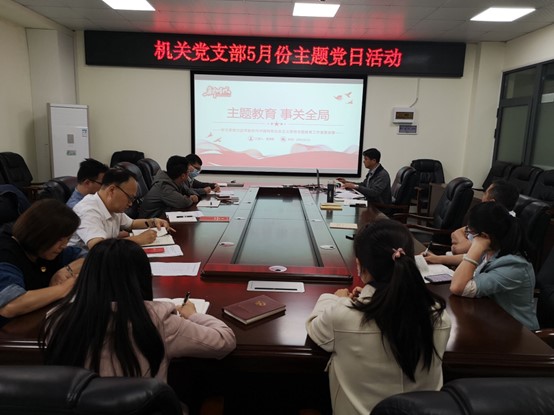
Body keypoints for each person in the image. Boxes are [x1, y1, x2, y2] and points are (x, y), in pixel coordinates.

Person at [39, 238, 236, 412]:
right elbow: (224, 340)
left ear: (87, 276)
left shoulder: (57, 319)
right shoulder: (156, 319)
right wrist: (193, 315)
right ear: (141, 278)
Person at [306, 220, 451, 415]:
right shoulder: (440, 317)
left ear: (360, 266)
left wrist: (335, 299)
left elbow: (314, 327)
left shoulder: (343, 316)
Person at [450, 201, 539, 330]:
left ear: (484, 236)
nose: (469, 236)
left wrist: (477, 246)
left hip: (518, 332)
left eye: (470, 232)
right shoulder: (496, 249)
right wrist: (437, 259)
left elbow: (458, 287)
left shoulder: (514, 265)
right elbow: (469, 258)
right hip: (492, 318)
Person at [0, 199, 85, 327]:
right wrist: (63, 289)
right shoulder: (6, 253)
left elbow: (91, 257)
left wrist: (66, 270)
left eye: (67, 239)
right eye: (60, 239)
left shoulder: (46, 250)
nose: (64, 245)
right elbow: (10, 305)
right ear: (39, 234)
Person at [68, 168, 173, 250]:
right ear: (112, 190)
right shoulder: (87, 210)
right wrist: (137, 239)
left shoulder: (112, 206)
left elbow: (131, 224)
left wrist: (154, 221)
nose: (131, 203)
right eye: (129, 198)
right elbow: (98, 248)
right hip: (85, 265)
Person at [424, 179, 519, 266]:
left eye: (485, 193)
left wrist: (458, 245)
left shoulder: (499, 226)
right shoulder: (489, 216)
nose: (482, 197)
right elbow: (456, 234)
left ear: (491, 202)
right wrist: (436, 258)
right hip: (462, 262)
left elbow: (459, 250)